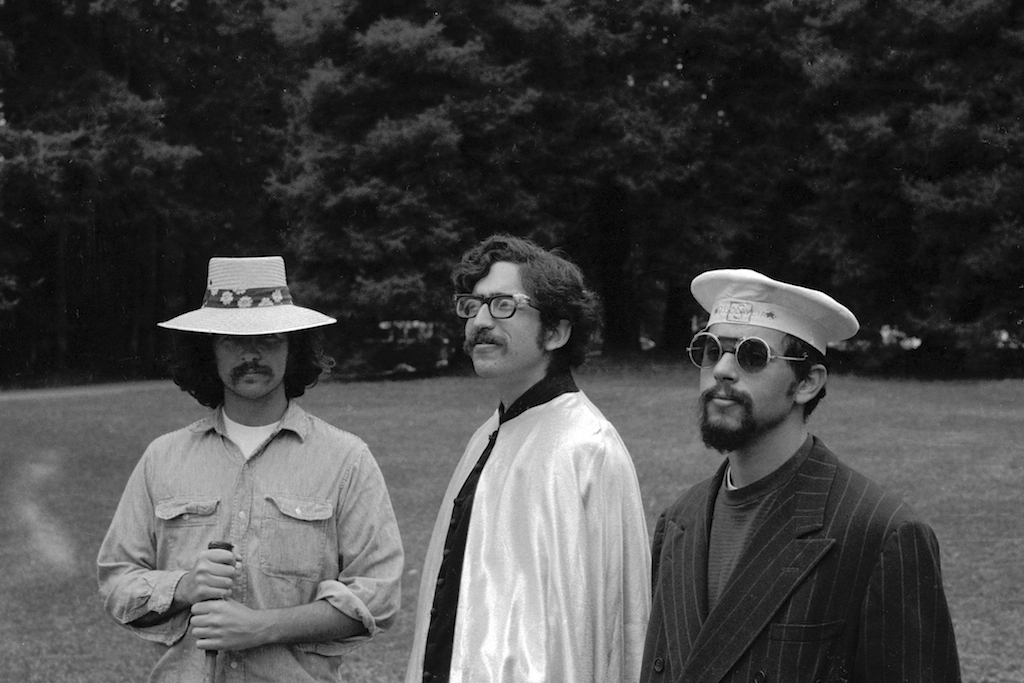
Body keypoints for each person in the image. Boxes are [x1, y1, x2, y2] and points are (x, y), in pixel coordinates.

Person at [641, 268, 962, 683]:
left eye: (751, 355)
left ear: (807, 383)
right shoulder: (678, 523)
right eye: (710, 349)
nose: (721, 369)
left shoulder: (881, 535)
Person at [97, 256, 403, 682]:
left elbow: (378, 595)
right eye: (231, 339)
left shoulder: (347, 460)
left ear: (294, 347)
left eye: (271, 338)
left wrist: (262, 628)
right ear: (207, 350)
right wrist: (184, 586)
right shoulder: (162, 458)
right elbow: (116, 582)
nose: (252, 355)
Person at [405, 234, 651, 683]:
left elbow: (619, 623)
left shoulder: (587, 448)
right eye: (473, 305)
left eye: (502, 305)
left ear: (556, 331)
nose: (479, 321)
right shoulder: (487, 436)